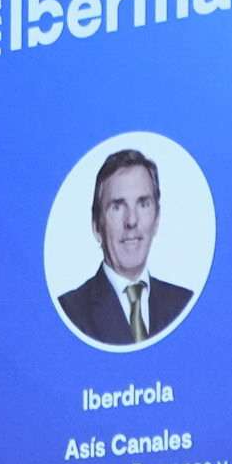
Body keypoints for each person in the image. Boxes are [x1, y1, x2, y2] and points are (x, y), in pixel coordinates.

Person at [55, 145, 194, 347]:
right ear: (96, 226)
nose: (131, 221)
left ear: (156, 220)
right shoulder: (69, 313)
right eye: (117, 206)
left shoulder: (184, 303)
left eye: (143, 203)